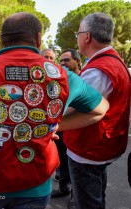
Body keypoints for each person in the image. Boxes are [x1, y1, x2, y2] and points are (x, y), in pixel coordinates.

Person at [0, 12, 109, 209]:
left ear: (2, 40)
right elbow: (100, 109)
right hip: (36, 183)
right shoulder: (61, 76)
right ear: (38, 38)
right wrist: (54, 126)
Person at [63, 13, 130, 209]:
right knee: (96, 196)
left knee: (88, 203)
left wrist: (51, 125)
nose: (77, 38)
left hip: (89, 149)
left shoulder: (98, 70)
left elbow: (76, 110)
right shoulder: (113, 61)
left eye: (78, 33)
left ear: (87, 36)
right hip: (103, 145)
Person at [51, 49, 82, 199]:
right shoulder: (59, 80)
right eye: (61, 60)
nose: (63, 63)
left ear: (77, 61)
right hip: (62, 129)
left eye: (67, 60)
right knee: (63, 159)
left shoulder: (85, 78)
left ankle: (75, 197)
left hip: (78, 129)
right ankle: (64, 187)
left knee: (77, 165)